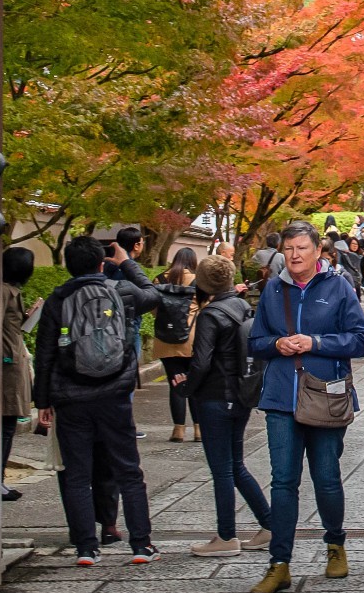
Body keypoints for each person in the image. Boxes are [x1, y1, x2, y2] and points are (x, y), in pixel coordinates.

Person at [247, 219, 364, 593]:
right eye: (289, 249)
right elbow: (256, 340)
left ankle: (335, 544)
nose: (295, 255)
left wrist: (314, 342)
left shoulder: (338, 287)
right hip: (281, 397)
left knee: (327, 477)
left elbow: (361, 340)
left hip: (325, 395)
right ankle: (279, 562)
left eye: (302, 248)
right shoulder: (273, 289)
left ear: (318, 251)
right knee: (283, 480)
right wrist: (277, 346)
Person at [34, 235, 163, 565]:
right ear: (101, 261)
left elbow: (45, 352)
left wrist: (43, 400)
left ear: (67, 265)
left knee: (76, 473)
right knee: (128, 469)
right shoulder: (121, 290)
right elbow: (154, 295)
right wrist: (126, 263)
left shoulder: (58, 298)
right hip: (114, 393)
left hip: (70, 396)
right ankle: (141, 544)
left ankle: (86, 548)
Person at [178, 252, 272, 556]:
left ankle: (226, 536)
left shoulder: (210, 315)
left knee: (222, 470)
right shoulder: (242, 306)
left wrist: (185, 388)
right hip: (241, 394)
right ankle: (270, 525)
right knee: (235, 465)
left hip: (215, 397)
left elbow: (202, 362)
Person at [153, 248, 200, 443]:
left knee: (175, 384)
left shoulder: (159, 280)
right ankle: (199, 430)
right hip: (191, 339)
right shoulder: (199, 280)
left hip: (165, 340)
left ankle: (178, 430)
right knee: (195, 385)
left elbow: (153, 309)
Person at [0, 246, 35, 501]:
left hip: (12, 361)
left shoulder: (10, 291)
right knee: (5, 424)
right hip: (7, 364)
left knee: (8, 425)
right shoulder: (4, 292)